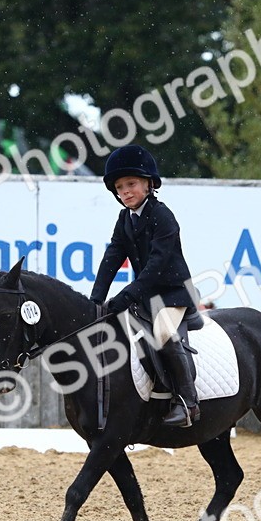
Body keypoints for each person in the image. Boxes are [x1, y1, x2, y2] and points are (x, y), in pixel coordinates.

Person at [90, 145, 200, 428]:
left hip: (173, 293)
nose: (125, 191)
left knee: (163, 332)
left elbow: (157, 266)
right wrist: (96, 298)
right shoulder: (124, 219)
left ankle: (188, 402)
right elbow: (112, 256)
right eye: (119, 187)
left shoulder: (163, 216)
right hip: (145, 296)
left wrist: (126, 295)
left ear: (149, 183)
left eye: (131, 184)